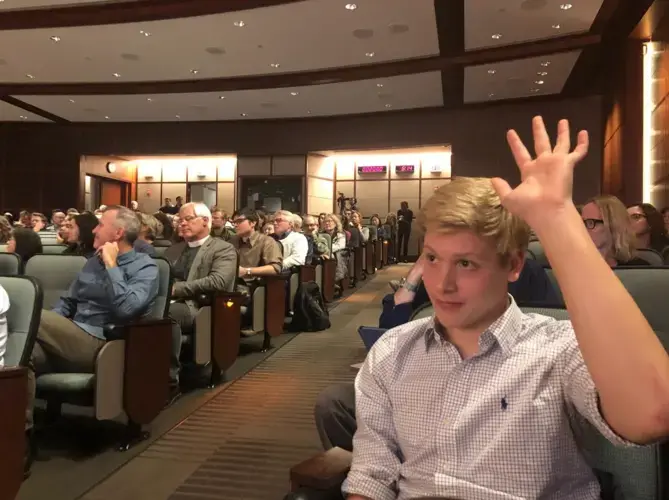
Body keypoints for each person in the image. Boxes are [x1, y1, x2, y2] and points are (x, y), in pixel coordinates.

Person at [342, 117, 669, 500]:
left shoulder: (558, 349)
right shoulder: (392, 351)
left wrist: (557, 218)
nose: (442, 284)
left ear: (513, 265)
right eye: (432, 258)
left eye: (466, 264)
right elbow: (371, 476)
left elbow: (652, 414)